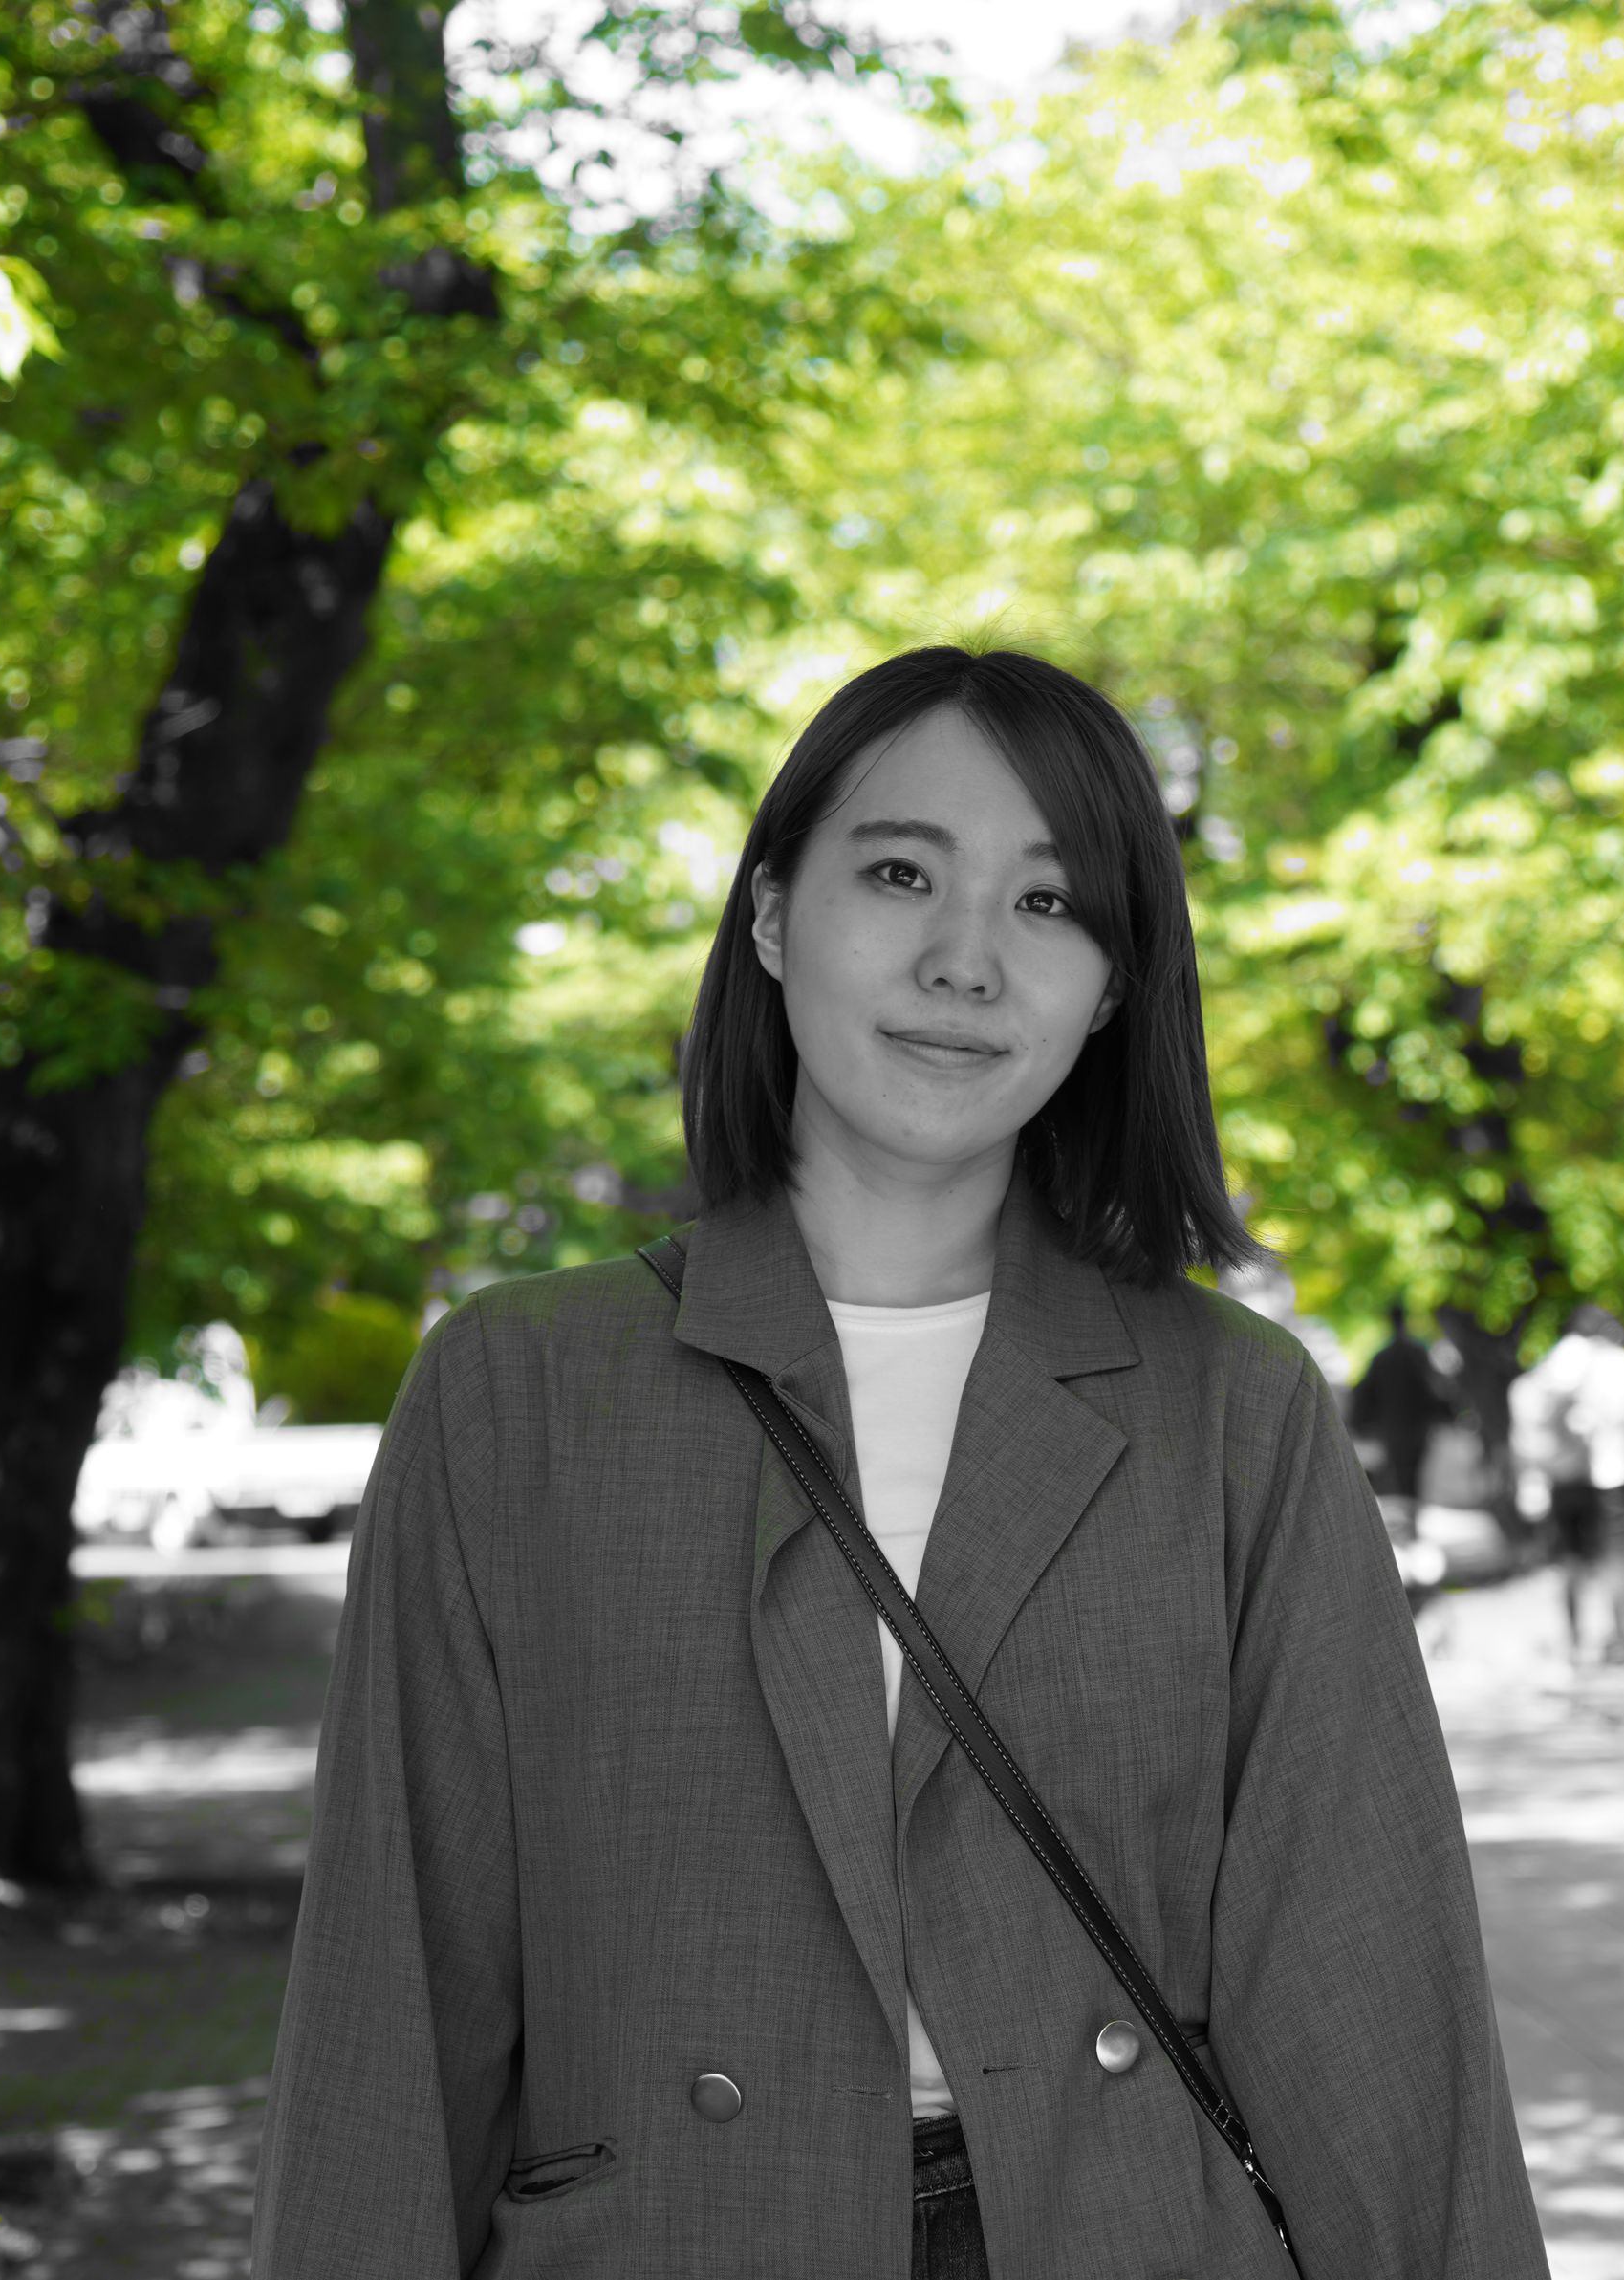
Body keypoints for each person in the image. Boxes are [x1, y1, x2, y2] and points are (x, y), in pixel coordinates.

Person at [251, 649, 1547, 2278]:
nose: (965, 960)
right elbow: (394, 1990)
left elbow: (1373, 1995)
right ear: (771, 916)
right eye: (899, 874)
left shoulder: (1235, 1413)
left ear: (1113, 987)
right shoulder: (519, 1391)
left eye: (1048, 904)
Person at [1511, 1306, 1624, 1665]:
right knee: (1613, 1557)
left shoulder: (1560, 1359)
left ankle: (1576, 1641)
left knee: (1570, 1561)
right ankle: (1619, 1639)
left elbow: (1533, 1411)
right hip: (1611, 1475)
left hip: (1564, 1476)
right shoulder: (1619, 1362)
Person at [1346, 1298, 1448, 1509]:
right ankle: (1410, 1516)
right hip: (1416, 1428)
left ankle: (1406, 1516)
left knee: (1398, 1476)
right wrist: (1447, 1413)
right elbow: (1431, 1389)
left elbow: (1364, 1393)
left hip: (1391, 1428)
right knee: (1411, 1477)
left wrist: (1357, 1424)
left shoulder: (1381, 1358)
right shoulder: (1417, 1353)